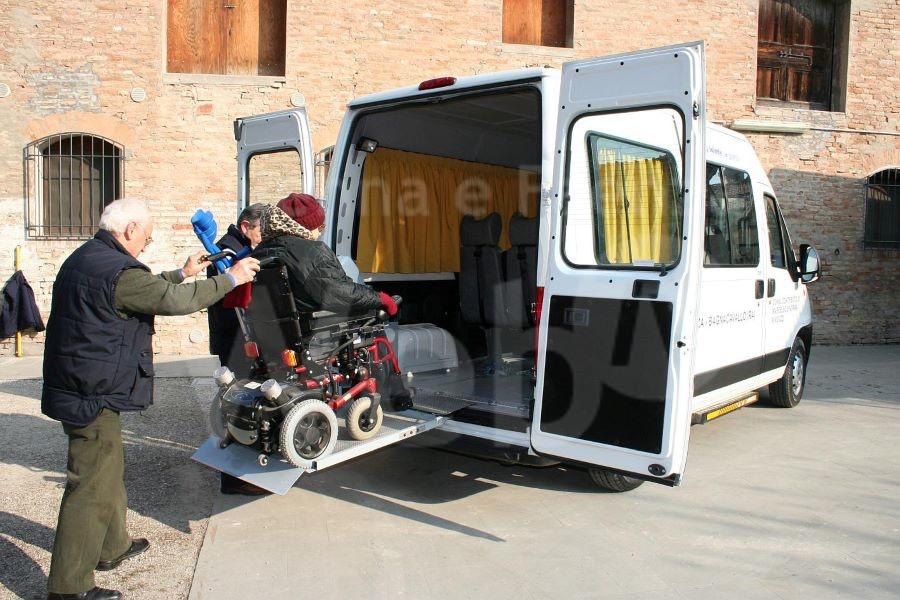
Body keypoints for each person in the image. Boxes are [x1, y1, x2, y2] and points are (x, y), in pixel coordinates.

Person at [41, 198, 260, 600]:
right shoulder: (118, 271)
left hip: (81, 381)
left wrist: (183, 272)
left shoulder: (90, 258)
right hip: (90, 390)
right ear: (129, 230)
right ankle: (68, 587)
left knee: (107, 469)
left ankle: (112, 547)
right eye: (147, 236)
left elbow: (144, 290)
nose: (147, 243)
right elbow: (173, 301)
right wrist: (231, 278)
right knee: (90, 484)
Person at [254, 193, 412, 408]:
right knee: (374, 322)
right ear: (306, 226)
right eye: (319, 226)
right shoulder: (309, 251)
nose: (321, 231)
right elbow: (338, 293)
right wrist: (379, 298)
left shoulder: (260, 251)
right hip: (312, 330)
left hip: (276, 331)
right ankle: (393, 395)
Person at [203, 202, 271, 496]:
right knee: (238, 405)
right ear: (245, 226)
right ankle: (235, 479)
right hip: (234, 340)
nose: (262, 237)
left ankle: (244, 474)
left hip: (239, 338)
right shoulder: (227, 251)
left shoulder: (235, 248)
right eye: (260, 231)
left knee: (245, 402)